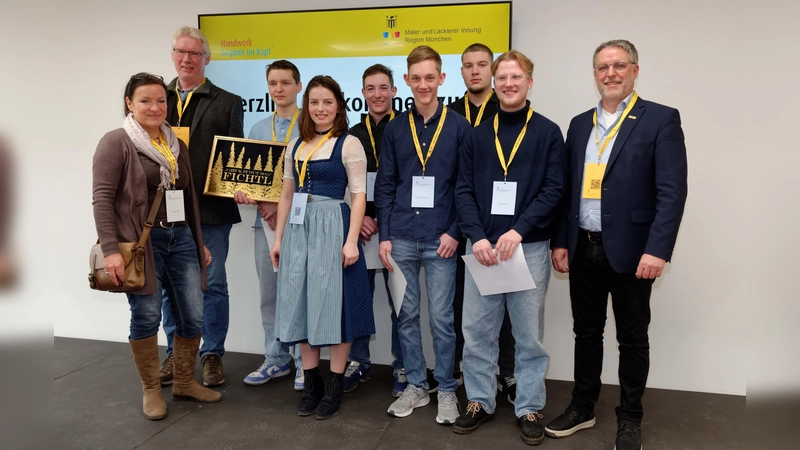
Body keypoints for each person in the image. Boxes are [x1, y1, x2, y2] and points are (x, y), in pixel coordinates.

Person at [545, 40, 688, 450]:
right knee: (585, 333)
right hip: (582, 246)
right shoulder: (578, 124)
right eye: (602, 67)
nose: (610, 73)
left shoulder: (660, 119)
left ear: (635, 70)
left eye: (619, 65)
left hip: (633, 251)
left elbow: (672, 192)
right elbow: (567, 190)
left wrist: (658, 249)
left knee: (632, 337)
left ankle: (629, 418)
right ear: (594, 74)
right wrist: (561, 242)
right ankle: (583, 406)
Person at [92, 73, 222, 421]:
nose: (154, 107)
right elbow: (102, 199)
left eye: (161, 101)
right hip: (141, 245)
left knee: (193, 313)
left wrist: (198, 241)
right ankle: (151, 389)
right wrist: (110, 250)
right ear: (129, 103)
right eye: (145, 100)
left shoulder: (174, 142)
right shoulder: (117, 142)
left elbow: (187, 196)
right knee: (147, 314)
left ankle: (183, 382)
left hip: (181, 240)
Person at [452, 50, 565, 445]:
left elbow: (554, 190)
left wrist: (519, 230)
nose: (509, 84)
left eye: (517, 77)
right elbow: (462, 190)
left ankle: (529, 405)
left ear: (530, 82)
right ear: (495, 82)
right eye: (503, 77)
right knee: (477, 331)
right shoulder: (475, 134)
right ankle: (479, 401)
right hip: (482, 247)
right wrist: (477, 235)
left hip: (528, 248)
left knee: (527, 334)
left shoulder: (548, 132)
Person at [375, 45, 471, 425]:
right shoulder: (397, 128)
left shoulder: (460, 127)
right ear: (407, 82)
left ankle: (446, 388)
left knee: (443, 320)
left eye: (430, 77)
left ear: (441, 79)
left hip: (441, 239)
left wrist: (455, 232)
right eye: (416, 78)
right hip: (400, 236)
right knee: (406, 315)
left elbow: (467, 188)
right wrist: (384, 235)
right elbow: (385, 185)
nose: (423, 84)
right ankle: (416, 384)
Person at [271, 75, 375, 420]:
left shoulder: (348, 143)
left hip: (334, 225)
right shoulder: (296, 144)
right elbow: (287, 195)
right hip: (300, 229)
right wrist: (279, 239)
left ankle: (334, 385)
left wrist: (351, 241)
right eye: (314, 102)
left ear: (338, 106)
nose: (320, 108)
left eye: (327, 102)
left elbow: (358, 197)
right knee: (302, 301)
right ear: (307, 105)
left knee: (335, 304)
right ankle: (312, 382)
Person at [159, 26, 244, 388]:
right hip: (165, 211)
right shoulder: (156, 98)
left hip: (211, 211)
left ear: (206, 59)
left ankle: (212, 354)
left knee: (214, 283)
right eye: (181, 52)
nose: (187, 59)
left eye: (195, 53)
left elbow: (235, 155)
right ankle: (174, 355)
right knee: (169, 285)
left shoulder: (227, 101)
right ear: (173, 55)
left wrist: (238, 186)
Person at [447, 42, 517, 402]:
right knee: (464, 304)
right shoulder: (450, 112)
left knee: (504, 303)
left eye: (482, 65)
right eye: (468, 66)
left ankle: (507, 372)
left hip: (495, 224)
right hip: (459, 223)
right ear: (460, 72)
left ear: (492, 69)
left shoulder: (506, 107)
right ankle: (466, 370)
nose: (475, 71)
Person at [235, 60, 304, 390]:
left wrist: (281, 205)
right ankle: (276, 359)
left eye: (286, 82)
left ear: (298, 86)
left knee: (304, 294)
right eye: (274, 83)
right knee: (270, 296)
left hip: (303, 224)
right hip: (264, 225)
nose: (279, 89)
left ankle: (306, 362)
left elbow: (319, 178)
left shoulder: (313, 124)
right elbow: (250, 179)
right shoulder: (259, 129)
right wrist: (252, 198)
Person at [342, 64, 407, 397]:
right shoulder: (352, 134)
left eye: (384, 88)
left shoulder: (408, 129)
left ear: (394, 91)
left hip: (396, 229)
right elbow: (347, 184)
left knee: (400, 303)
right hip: (362, 230)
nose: (378, 94)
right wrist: (364, 218)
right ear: (363, 93)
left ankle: (402, 364)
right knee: (358, 300)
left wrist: (386, 219)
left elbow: (410, 181)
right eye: (371, 88)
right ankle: (358, 360)